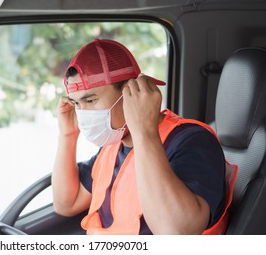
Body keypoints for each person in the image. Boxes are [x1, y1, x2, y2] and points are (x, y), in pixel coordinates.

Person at [51, 39, 237, 235]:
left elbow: (177, 233)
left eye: (91, 100)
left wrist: (144, 132)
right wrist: (67, 135)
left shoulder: (193, 140)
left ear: (129, 92)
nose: (83, 113)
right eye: (77, 104)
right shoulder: (113, 144)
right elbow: (66, 204)